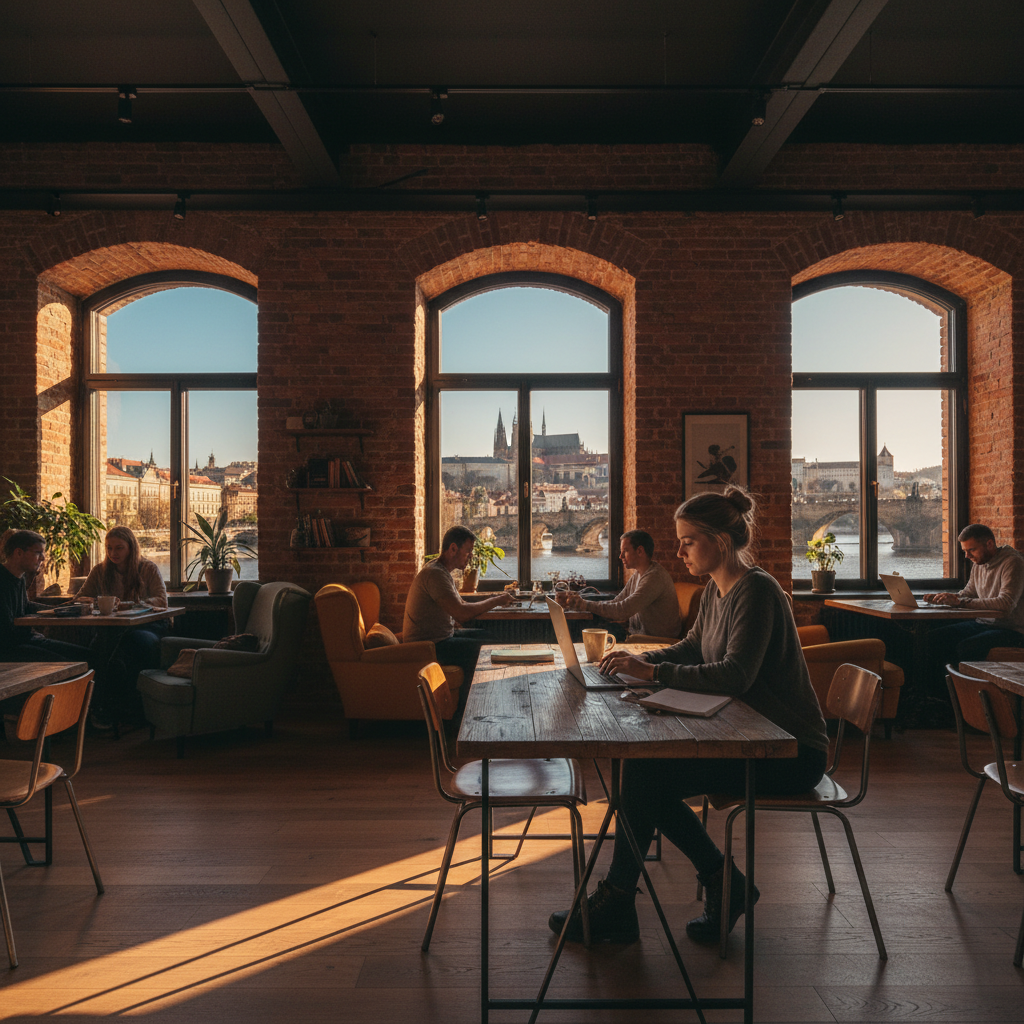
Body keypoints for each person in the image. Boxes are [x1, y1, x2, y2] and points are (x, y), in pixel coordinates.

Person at [548, 487, 828, 946]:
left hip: (790, 750)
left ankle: (631, 899)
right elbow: (693, 648)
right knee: (641, 776)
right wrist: (636, 659)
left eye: (687, 541)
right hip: (744, 735)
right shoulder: (717, 590)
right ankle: (695, 887)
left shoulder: (757, 590)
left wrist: (652, 670)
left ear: (719, 540)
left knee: (642, 780)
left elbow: (736, 675)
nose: (678, 551)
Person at [402, 525, 514, 706]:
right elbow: (462, 614)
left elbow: (461, 604)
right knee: (488, 649)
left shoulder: (440, 571)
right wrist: (497, 600)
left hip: (441, 639)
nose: (471, 556)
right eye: (468, 551)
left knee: (491, 639)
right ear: (453, 548)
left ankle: (478, 703)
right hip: (431, 646)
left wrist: (496, 598)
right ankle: (472, 707)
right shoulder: (435, 574)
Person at [78, 526, 169, 727]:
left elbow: (162, 601)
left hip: (148, 626)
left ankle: (121, 709)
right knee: (99, 646)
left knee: (129, 643)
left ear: (131, 548)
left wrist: (132, 604)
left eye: (119, 548)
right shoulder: (100, 571)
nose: (113, 553)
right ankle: (102, 707)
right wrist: (98, 602)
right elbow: (79, 599)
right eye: (109, 548)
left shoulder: (147, 568)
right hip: (112, 628)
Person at [923, 523, 1024, 682]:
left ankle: (969, 699)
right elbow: (967, 594)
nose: (967, 556)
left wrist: (959, 602)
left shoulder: (1013, 562)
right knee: (934, 638)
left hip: (1013, 630)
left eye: (971, 550)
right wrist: (944, 598)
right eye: (964, 551)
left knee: (967, 647)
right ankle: (944, 697)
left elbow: (1005, 604)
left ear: (989, 544)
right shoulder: (979, 563)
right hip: (985, 624)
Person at [557, 530, 682, 639]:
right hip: (637, 635)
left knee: (584, 631)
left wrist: (584, 605)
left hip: (656, 642)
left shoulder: (654, 577)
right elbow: (617, 601)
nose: (620, 556)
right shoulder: (639, 574)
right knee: (588, 628)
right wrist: (579, 602)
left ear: (640, 551)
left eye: (625, 551)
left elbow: (622, 611)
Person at [0, 529, 93, 666]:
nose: (43, 558)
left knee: (90, 656)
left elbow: (27, 606)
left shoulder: (20, 577)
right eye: (38, 553)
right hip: (10, 648)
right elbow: (7, 628)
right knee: (73, 664)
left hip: (29, 640)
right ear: (18, 552)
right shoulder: (2, 580)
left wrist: (63, 608)